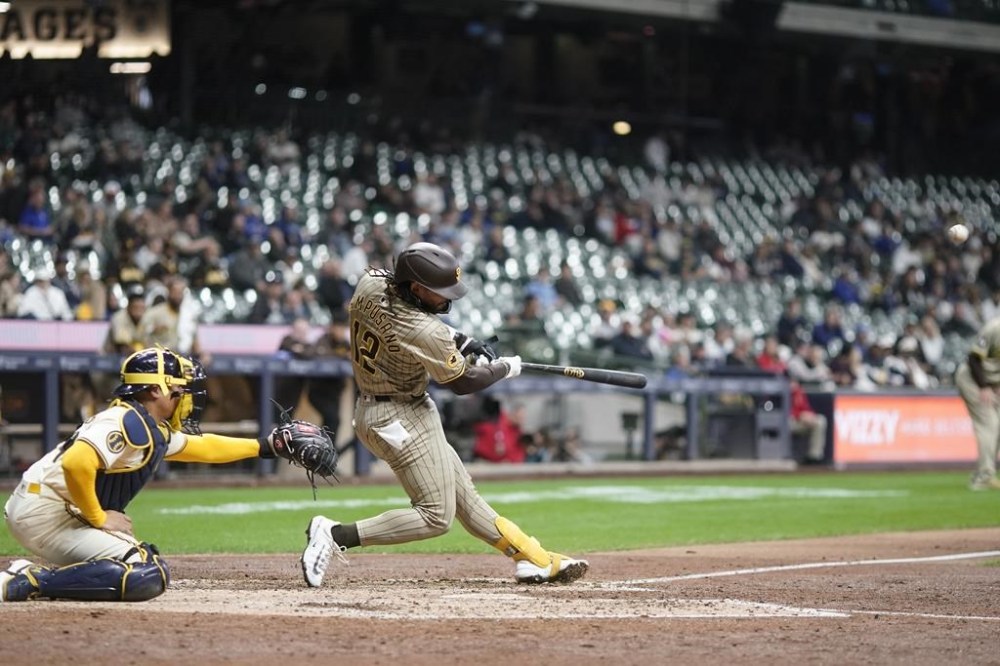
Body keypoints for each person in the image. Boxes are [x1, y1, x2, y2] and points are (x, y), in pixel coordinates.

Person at [300, 241, 588, 587]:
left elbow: (413, 323)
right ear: (417, 287)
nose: (446, 298)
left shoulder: (371, 282)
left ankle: (534, 559)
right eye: (438, 292)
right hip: (396, 417)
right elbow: (463, 381)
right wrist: (504, 368)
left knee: (465, 498)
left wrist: (464, 341)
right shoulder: (426, 331)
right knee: (436, 515)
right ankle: (334, 533)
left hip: (391, 407)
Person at [0, 347, 295, 602]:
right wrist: (98, 518)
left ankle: (34, 578)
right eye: (178, 390)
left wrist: (267, 446)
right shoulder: (127, 420)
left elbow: (203, 446)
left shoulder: (144, 422)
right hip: (46, 512)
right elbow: (76, 462)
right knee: (146, 572)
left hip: (44, 507)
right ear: (155, 390)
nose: (184, 398)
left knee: (145, 567)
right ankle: (30, 580)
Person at [954, 317, 1000, 491]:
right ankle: (984, 477)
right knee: (989, 423)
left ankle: (984, 471)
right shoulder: (994, 328)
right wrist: (984, 387)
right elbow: (973, 358)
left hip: (992, 382)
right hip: (972, 379)